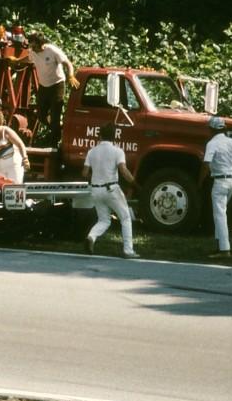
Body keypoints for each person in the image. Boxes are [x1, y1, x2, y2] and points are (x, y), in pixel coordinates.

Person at [9, 32, 79, 147]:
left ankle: (54, 142)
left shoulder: (52, 51)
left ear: (39, 44)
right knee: (41, 115)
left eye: (33, 45)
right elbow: (29, 58)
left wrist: (71, 75)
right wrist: (17, 61)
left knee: (55, 114)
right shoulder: (33, 52)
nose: (32, 48)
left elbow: (68, 63)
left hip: (57, 85)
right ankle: (56, 127)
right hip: (44, 86)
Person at [82, 122, 140, 259]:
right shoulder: (117, 151)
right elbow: (123, 170)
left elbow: (84, 173)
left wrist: (96, 176)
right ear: (114, 137)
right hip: (111, 189)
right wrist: (135, 184)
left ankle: (91, 237)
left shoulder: (91, 151)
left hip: (96, 190)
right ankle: (128, 250)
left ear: (100, 135)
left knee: (103, 220)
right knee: (125, 218)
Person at [198, 117, 232, 258]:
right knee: (221, 212)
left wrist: (199, 182)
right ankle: (219, 243)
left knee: (219, 215)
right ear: (224, 128)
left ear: (211, 129)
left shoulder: (212, 144)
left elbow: (206, 164)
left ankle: (224, 249)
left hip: (220, 181)